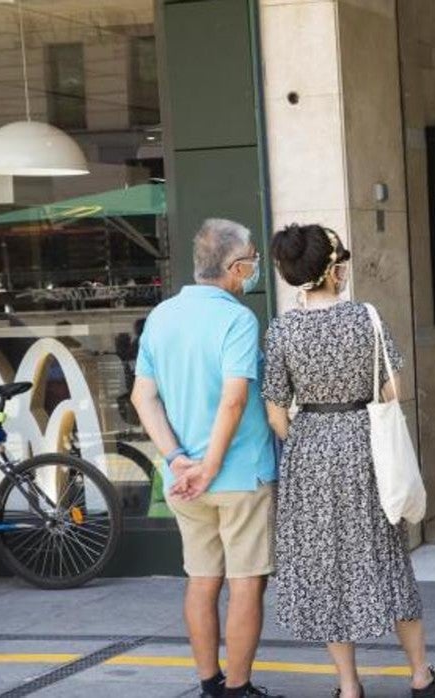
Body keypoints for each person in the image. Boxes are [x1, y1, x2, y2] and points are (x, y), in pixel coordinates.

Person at [262, 224, 435, 698]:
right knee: (387, 557)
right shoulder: (366, 318)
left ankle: (348, 686)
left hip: (310, 455)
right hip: (367, 450)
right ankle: (421, 675)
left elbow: (276, 412)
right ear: (333, 270)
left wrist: (310, 438)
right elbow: (391, 391)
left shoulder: (282, 330)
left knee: (325, 567)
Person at [130, 219, 280, 698]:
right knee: (245, 583)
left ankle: (209, 683)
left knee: (201, 579)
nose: (254, 267)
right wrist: (211, 465)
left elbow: (142, 397)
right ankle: (238, 687)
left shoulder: (161, 317)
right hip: (238, 473)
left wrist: (177, 459)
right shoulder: (237, 319)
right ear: (237, 268)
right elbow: (234, 399)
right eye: (252, 259)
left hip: (183, 481)